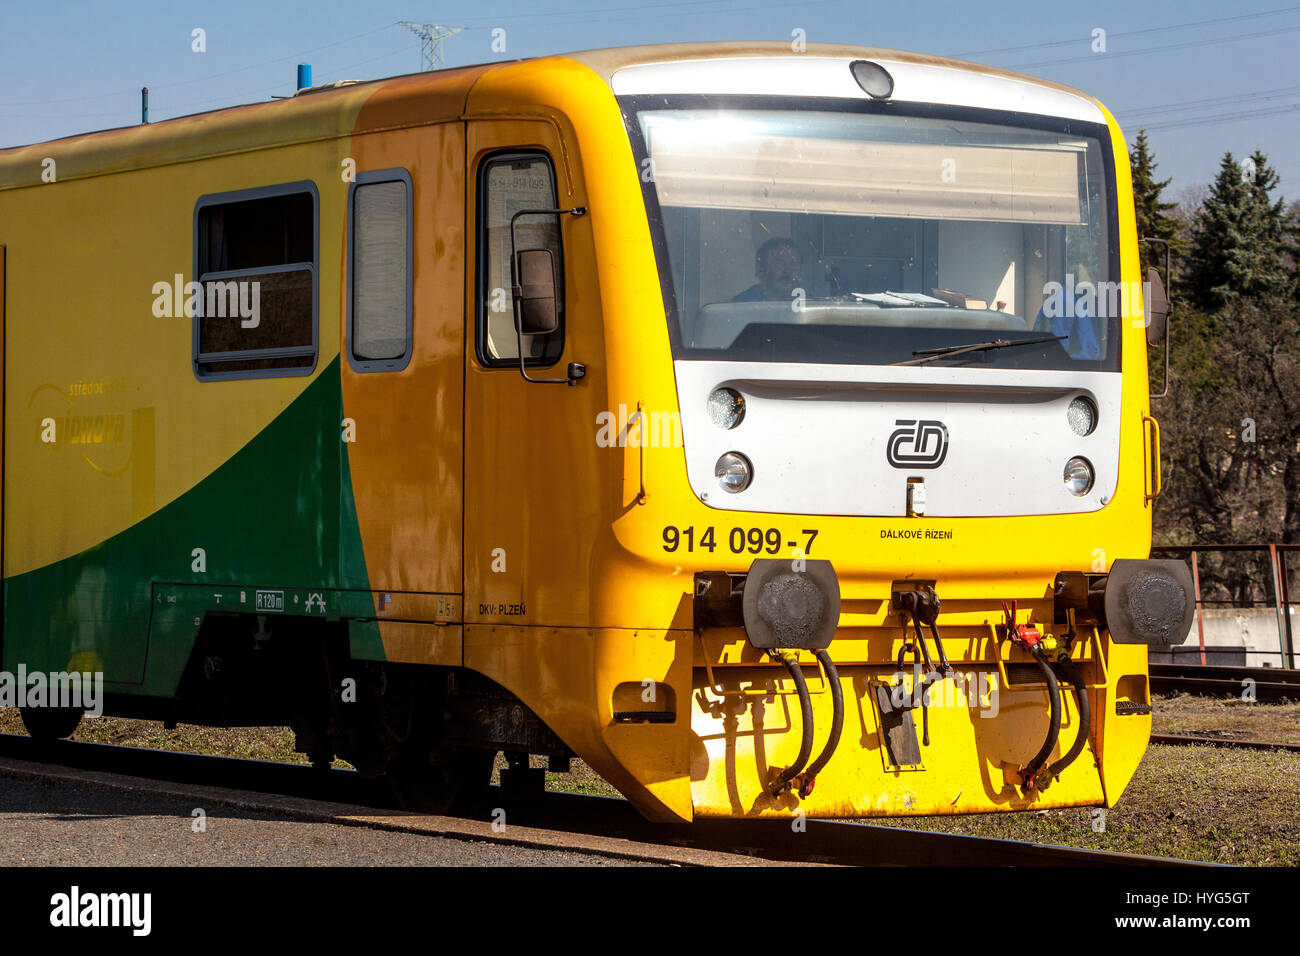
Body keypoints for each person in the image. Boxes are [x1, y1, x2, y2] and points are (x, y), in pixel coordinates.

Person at [732, 237, 802, 302]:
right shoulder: (742, 304)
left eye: (793, 265)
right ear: (761, 269)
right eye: (779, 264)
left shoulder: (807, 302)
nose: (787, 271)